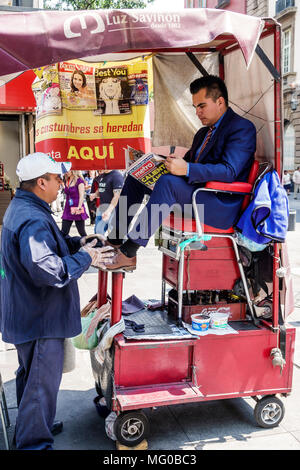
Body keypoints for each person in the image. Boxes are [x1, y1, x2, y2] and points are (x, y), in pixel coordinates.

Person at [0, 152, 114, 450]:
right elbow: (45, 268)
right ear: (41, 182)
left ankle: (34, 427)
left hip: (27, 312)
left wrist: (79, 243)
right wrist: (85, 257)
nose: (62, 185)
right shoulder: (32, 218)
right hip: (39, 316)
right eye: (57, 179)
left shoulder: (24, 208)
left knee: (31, 379)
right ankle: (33, 444)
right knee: (40, 385)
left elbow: (49, 248)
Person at [102, 75, 257, 271]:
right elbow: (190, 164)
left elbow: (230, 172)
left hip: (220, 203)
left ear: (220, 102)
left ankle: (129, 252)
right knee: (136, 176)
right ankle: (115, 239)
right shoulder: (203, 133)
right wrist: (165, 164)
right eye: (195, 107)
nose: (197, 112)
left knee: (168, 184)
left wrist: (188, 169)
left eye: (202, 106)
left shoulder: (241, 128)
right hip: (196, 193)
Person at [89, 169, 124, 235]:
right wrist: (95, 195)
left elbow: (117, 196)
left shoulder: (117, 176)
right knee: (98, 233)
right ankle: (100, 245)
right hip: (102, 209)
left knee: (115, 236)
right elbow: (101, 189)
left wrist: (108, 211)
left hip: (114, 210)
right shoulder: (103, 176)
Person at [62, 170, 88, 237]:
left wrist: (79, 207)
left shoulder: (79, 180)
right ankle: (62, 246)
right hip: (68, 207)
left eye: (68, 170)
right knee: (64, 231)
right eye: (65, 171)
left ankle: (89, 244)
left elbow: (82, 195)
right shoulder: (66, 180)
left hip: (77, 207)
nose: (66, 172)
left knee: (81, 232)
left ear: (73, 171)